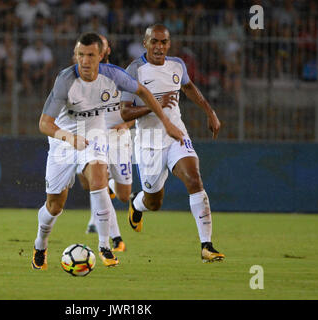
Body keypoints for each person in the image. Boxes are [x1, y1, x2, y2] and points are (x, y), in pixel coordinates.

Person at [32, 32, 184, 270]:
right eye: (80, 55)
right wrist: (71, 138)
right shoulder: (65, 80)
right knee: (54, 206)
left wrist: (166, 122)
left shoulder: (112, 75)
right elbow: (44, 124)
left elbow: (143, 93)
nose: (84, 61)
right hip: (63, 140)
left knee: (99, 179)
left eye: (90, 55)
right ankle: (40, 244)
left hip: (94, 137)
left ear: (101, 56)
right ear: (75, 55)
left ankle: (105, 245)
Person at [120, 24, 225, 263]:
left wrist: (210, 112)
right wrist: (154, 104)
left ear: (169, 43)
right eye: (154, 42)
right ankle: (137, 204)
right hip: (148, 144)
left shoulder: (177, 64)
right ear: (144, 43)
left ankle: (206, 246)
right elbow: (124, 113)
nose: (159, 47)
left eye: (164, 42)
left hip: (176, 135)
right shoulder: (134, 70)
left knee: (194, 178)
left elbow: (188, 87)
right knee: (153, 202)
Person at [78, 35, 133, 252]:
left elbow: (134, 106)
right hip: (94, 139)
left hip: (119, 140)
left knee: (123, 195)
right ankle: (116, 239)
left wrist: (127, 124)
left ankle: (112, 190)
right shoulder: (79, 78)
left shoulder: (120, 76)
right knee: (91, 183)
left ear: (105, 50)